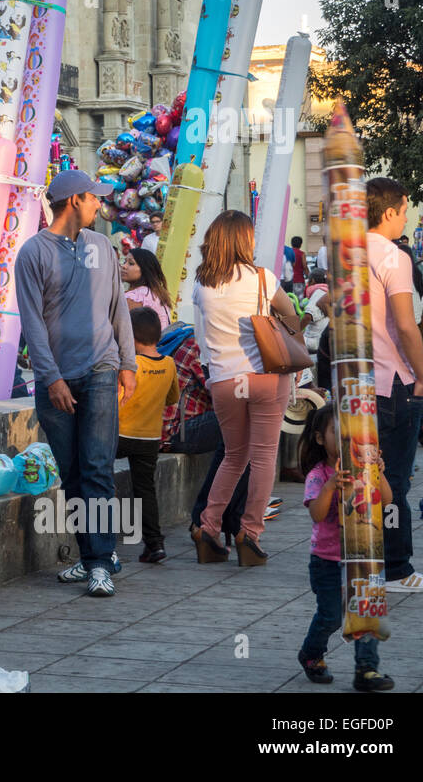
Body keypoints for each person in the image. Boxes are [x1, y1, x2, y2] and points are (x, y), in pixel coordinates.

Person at [15, 169, 137, 597]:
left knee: (99, 468)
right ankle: (92, 558)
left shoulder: (103, 247)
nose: (99, 206)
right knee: (71, 473)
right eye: (93, 199)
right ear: (73, 201)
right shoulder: (32, 253)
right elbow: (32, 324)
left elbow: (117, 308)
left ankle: (100, 561)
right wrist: (51, 379)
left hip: (102, 368)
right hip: (57, 379)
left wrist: (128, 362)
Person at [190, 210, 300, 566]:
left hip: (224, 381)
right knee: (263, 457)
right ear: (244, 240)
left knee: (234, 456)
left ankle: (208, 527)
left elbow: (200, 337)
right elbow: (292, 319)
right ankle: (249, 534)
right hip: (265, 378)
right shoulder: (263, 279)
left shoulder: (202, 284)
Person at [365, 178, 423, 592]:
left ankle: (361, 562)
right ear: (391, 211)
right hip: (393, 380)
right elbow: (406, 325)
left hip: (355, 383)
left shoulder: (345, 255)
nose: (408, 217)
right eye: (406, 209)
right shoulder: (392, 258)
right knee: (394, 481)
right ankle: (396, 569)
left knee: (360, 477)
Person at [296, 404, 394, 691]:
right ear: (319, 438)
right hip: (327, 560)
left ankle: (366, 670)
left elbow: (386, 500)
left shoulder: (364, 468)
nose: (349, 440)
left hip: (363, 555)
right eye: (339, 433)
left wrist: (377, 472)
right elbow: (316, 513)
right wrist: (329, 487)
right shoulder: (318, 474)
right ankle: (311, 654)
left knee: (366, 611)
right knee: (331, 617)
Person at [161, 325, 247, 546]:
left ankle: (226, 517)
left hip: (188, 425)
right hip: (178, 432)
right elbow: (222, 394)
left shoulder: (204, 340)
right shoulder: (200, 347)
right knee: (245, 427)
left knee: (243, 435)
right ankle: (220, 519)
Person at [118, 307, 179, 564]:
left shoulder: (131, 366)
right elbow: (172, 398)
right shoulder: (169, 363)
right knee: (145, 490)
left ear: (130, 337)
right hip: (150, 439)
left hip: (120, 434)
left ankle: (101, 538)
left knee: (96, 478)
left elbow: (116, 398)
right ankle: (155, 544)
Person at [122, 247, 173, 327]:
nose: (124, 266)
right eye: (124, 262)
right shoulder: (155, 293)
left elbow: (122, 330)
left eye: (131, 263)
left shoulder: (135, 298)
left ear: (144, 269)